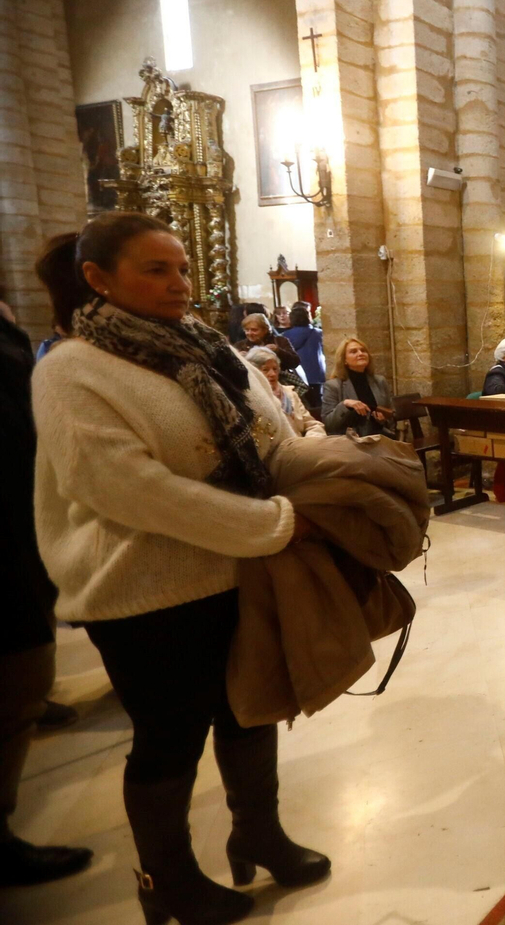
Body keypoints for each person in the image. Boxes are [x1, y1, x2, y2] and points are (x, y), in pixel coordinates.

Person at [30, 212, 327, 925]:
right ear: (97, 279)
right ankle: (165, 879)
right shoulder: (72, 368)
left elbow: (273, 432)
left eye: (183, 268)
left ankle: (258, 830)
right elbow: (127, 488)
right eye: (156, 270)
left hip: (239, 575)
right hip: (144, 592)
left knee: (251, 711)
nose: (179, 283)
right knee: (169, 739)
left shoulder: (206, 344)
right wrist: (276, 525)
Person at [0, 294, 93, 888]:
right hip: (10, 532)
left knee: (23, 680)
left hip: (20, 528)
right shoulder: (63, 363)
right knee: (17, 682)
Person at [321, 337, 397, 437]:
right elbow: (329, 424)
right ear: (344, 360)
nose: (360, 353)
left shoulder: (379, 381)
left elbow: (391, 416)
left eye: (363, 350)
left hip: (379, 437)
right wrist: (345, 404)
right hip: (350, 441)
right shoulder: (333, 386)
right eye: (353, 351)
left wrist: (383, 420)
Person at [244, 347, 325, 437]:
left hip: (301, 445)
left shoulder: (290, 394)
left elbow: (312, 424)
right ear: (254, 372)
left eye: (275, 369)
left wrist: (311, 441)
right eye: (265, 370)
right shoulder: (250, 399)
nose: (273, 374)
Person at [281, 304, 324, 409]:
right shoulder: (318, 333)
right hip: (316, 373)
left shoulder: (285, 336)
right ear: (308, 317)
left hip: (297, 374)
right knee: (318, 403)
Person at [236, 312, 301, 375]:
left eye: (254, 330)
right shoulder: (240, 345)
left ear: (265, 330)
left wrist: (278, 351)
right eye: (246, 330)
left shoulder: (280, 341)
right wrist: (237, 359)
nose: (249, 333)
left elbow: (295, 362)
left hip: (279, 380)